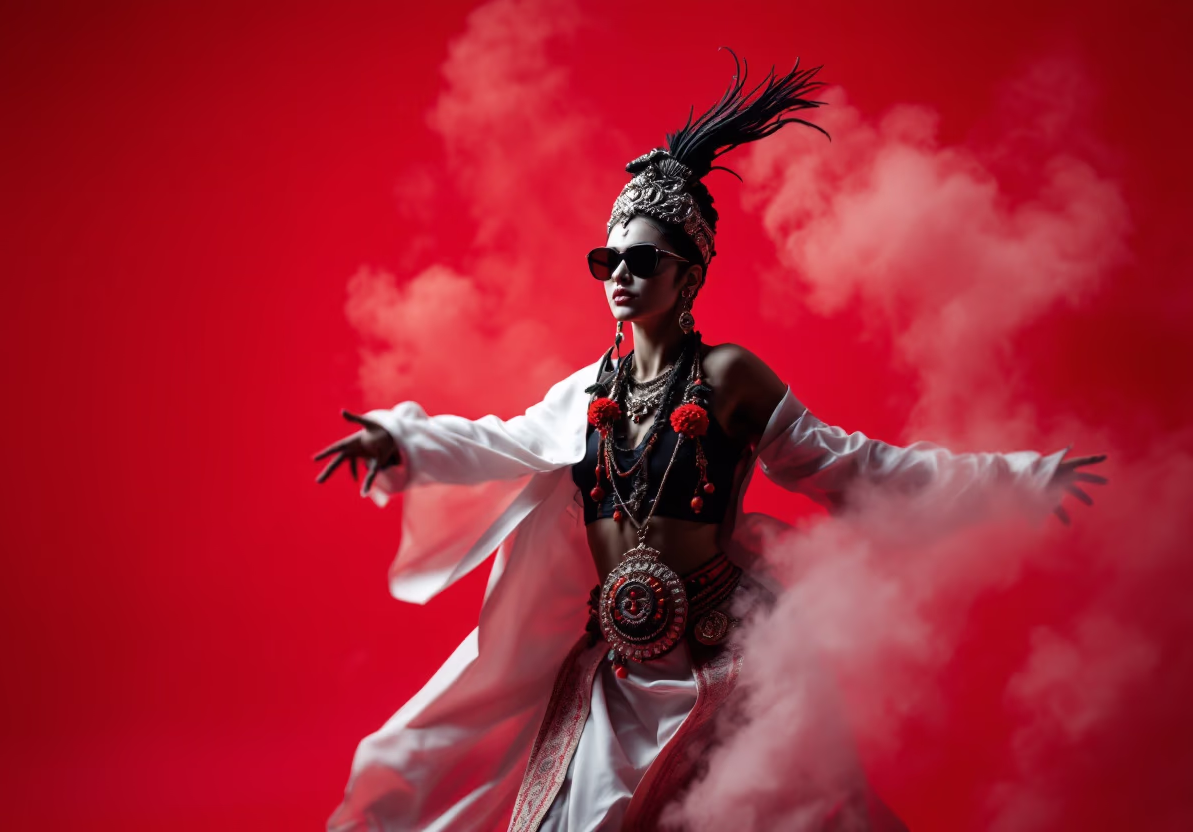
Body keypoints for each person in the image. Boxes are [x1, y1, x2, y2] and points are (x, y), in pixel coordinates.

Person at [314, 51, 1107, 832]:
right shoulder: (588, 394)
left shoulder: (728, 377)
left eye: (643, 260)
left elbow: (857, 471)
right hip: (618, 661)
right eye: (607, 261)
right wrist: (400, 442)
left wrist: (1018, 478)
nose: (620, 275)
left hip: (728, 653)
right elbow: (498, 443)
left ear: (690, 277)